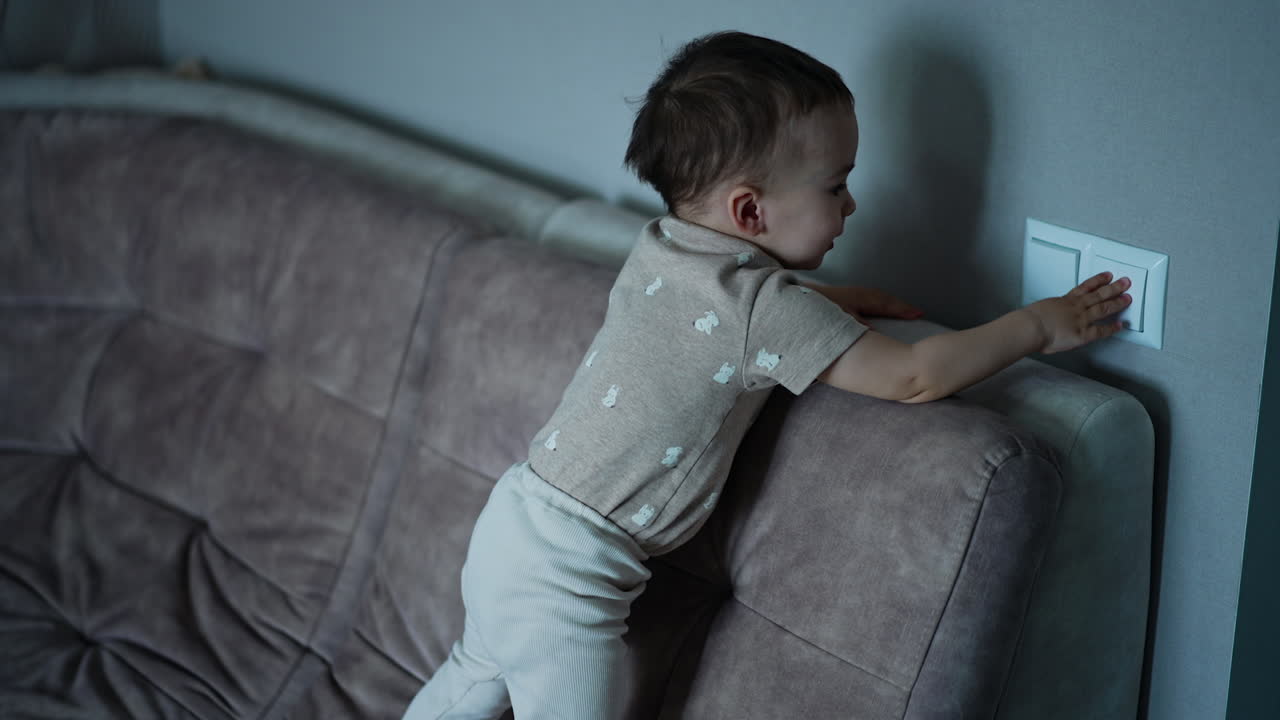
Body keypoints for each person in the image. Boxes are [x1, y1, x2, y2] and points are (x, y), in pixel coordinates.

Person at [402, 30, 1130, 720]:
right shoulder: (761, 310)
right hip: (567, 580)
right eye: (836, 186)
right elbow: (911, 377)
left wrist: (826, 305)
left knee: (468, 684)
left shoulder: (661, 247)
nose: (851, 204)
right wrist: (1036, 327)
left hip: (514, 523)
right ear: (750, 210)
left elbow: (714, 318)